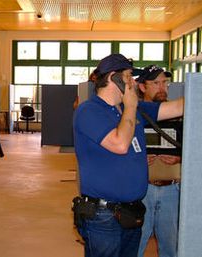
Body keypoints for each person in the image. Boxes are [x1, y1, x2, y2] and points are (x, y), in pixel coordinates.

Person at [73, 53, 183, 257]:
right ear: (114, 77)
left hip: (132, 212)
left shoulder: (132, 109)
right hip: (103, 216)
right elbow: (120, 144)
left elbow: (176, 107)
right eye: (129, 76)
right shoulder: (89, 111)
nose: (133, 82)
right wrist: (131, 106)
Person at [137, 65, 182, 257]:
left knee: (170, 247)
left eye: (165, 82)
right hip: (141, 190)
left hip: (172, 190)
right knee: (135, 245)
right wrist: (137, 159)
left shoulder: (180, 114)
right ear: (142, 87)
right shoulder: (132, 115)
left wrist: (181, 158)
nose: (162, 87)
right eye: (155, 83)